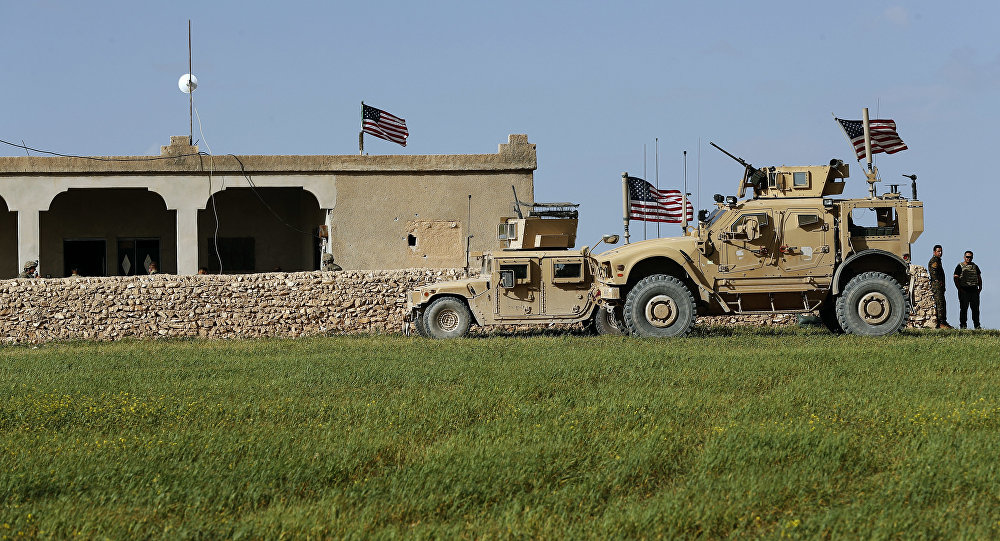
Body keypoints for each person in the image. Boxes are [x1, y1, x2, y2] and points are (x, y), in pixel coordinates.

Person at [953, 250, 983, 329]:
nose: (968, 258)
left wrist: (980, 287)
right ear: (964, 257)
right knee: (963, 309)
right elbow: (955, 277)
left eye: (970, 257)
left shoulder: (975, 266)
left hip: (974, 290)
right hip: (964, 290)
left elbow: (979, 277)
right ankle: (963, 326)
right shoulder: (960, 266)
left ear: (972, 257)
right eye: (967, 257)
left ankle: (977, 326)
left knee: (975, 309)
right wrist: (959, 288)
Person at [927, 245, 951, 328]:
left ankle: (943, 321)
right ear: (934, 252)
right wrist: (938, 281)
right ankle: (940, 323)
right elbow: (933, 273)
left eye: (941, 251)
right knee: (940, 304)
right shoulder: (934, 261)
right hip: (937, 286)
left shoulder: (938, 260)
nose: (940, 253)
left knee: (942, 303)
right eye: (938, 251)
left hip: (940, 286)